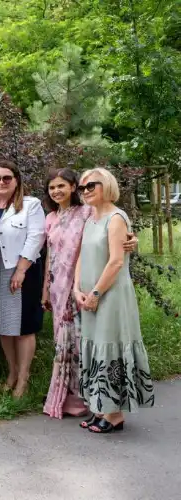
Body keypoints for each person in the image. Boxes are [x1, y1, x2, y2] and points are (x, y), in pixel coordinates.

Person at [41, 168, 138, 419]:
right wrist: (50, 289)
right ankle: (80, 401)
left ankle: (96, 405)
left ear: (72, 187)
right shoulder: (56, 217)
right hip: (63, 289)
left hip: (94, 290)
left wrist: (132, 239)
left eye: (62, 185)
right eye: (52, 187)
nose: (57, 191)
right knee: (75, 346)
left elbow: (115, 237)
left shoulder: (87, 212)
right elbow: (52, 255)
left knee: (90, 345)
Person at [73, 168, 154, 434]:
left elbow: (117, 261)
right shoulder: (90, 218)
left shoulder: (116, 218)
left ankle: (115, 414)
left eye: (90, 186)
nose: (85, 191)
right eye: (82, 187)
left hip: (110, 295)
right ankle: (101, 407)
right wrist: (76, 288)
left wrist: (95, 293)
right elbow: (82, 256)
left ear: (105, 185)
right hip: (89, 296)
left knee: (110, 347)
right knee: (95, 347)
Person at [0, 160, 46, 398]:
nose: (1, 182)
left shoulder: (31, 205)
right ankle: (12, 372)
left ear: (16, 181)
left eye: (7, 178)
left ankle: (24, 380)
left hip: (22, 272)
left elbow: (37, 237)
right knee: (3, 327)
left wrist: (21, 269)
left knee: (24, 327)